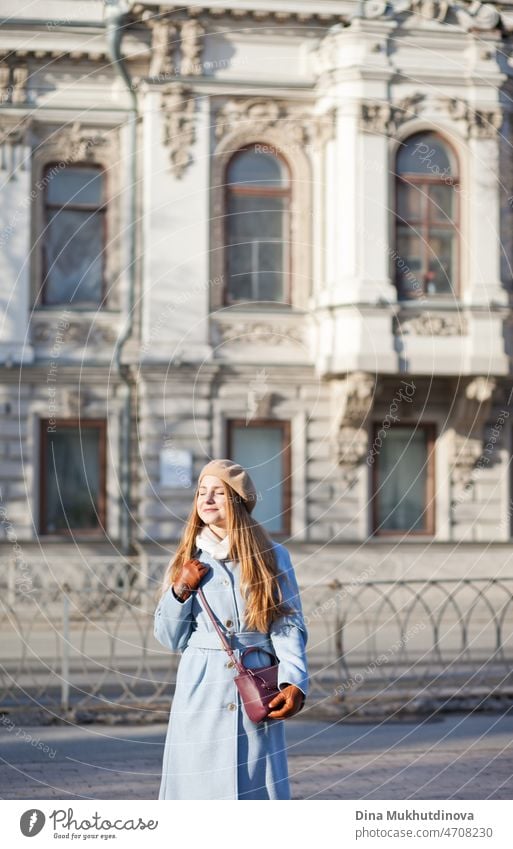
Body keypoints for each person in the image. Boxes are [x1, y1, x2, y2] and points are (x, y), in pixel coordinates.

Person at [154, 457, 309, 800]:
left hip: (256, 681)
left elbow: (287, 622)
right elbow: (169, 637)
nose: (206, 500)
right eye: (201, 493)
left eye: (218, 493)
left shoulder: (272, 555)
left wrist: (294, 680)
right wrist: (180, 590)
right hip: (201, 683)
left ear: (238, 500)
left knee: (254, 786)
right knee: (198, 786)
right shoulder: (187, 557)